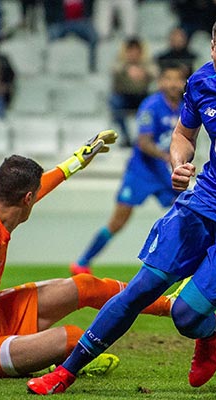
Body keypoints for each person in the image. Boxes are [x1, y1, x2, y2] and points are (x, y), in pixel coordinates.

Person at [27, 13, 216, 395]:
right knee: (140, 289)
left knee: (186, 317)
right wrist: (179, 162)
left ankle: (211, 331)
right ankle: (66, 372)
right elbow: (182, 135)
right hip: (204, 200)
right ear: (212, 48)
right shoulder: (201, 81)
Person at [0, 131, 174, 380]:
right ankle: (66, 358)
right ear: (27, 198)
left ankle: (170, 306)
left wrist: (77, 160)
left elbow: (42, 185)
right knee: (75, 339)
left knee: (85, 286)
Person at [70, 63, 188, 276]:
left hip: (164, 174)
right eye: (168, 78)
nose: (173, 83)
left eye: (177, 79)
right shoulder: (151, 106)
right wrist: (165, 156)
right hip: (141, 172)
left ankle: (182, 265)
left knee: (184, 215)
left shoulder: (185, 108)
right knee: (118, 221)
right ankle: (82, 262)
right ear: (160, 82)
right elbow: (143, 141)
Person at [109, 37, 158, 147]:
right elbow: (113, 70)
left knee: (154, 103)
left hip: (141, 96)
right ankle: (126, 137)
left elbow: (156, 74)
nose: (134, 54)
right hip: (124, 97)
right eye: (131, 51)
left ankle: (146, 137)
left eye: (136, 51)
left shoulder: (147, 63)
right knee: (114, 103)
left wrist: (143, 70)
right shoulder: (119, 63)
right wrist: (127, 67)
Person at [43, 0, 99, 73]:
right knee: (51, 35)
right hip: (61, 22)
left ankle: (92, 66)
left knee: (93, 37)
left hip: (82, 22)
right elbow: (48, 7)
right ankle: (46, 65)